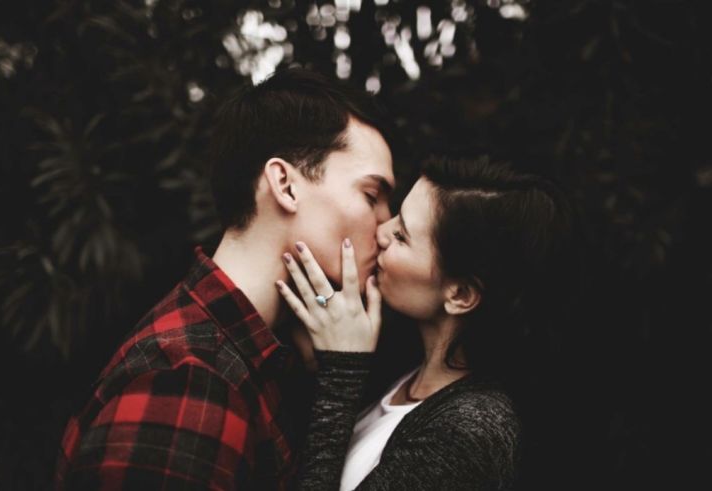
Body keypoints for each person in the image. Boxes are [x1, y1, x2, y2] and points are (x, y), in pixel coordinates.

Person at [54, 68, 396, 490]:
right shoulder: (189, 381)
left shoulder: (251, 360)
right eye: (371, 196)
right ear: (286, 184)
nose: (385, 229)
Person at [276, 155, 580, 490]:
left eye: (403, 236)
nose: (381, 231)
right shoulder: (397, 364)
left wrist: (342, 372)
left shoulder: (470, 432)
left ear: (460, 294)